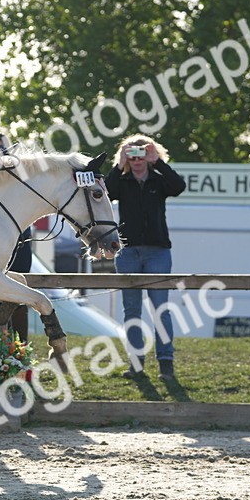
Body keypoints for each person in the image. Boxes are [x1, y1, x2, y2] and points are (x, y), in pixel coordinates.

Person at [106, 133, 186, 378]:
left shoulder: (158, 180)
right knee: (131, 310)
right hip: (128, 252)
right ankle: (136, 364)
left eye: (141, 153)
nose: (137, 159)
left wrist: (157, 161)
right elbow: (105, 192)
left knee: (161, 309)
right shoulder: (122, 182)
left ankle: (165, 363)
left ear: (150, 155)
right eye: (131, 154)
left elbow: (179, 186)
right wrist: (119, 165)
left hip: (157, 252)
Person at [0, 131, 31, 345]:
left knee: (19, 299)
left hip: (19, 243)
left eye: (4, 149)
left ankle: (21, 350)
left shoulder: (23, 176)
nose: (0, 153)